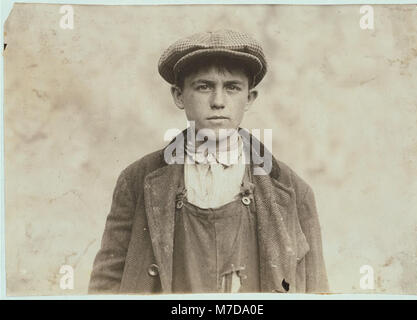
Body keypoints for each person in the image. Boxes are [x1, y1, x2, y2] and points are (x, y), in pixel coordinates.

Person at [88, 29, 329, 294]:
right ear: (179, 96)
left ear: (249, 98)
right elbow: (105, 286)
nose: (218, 102)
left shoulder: (293, 191)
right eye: (204, 86)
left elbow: (316, 290)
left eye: (232, 88)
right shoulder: (136, 181)